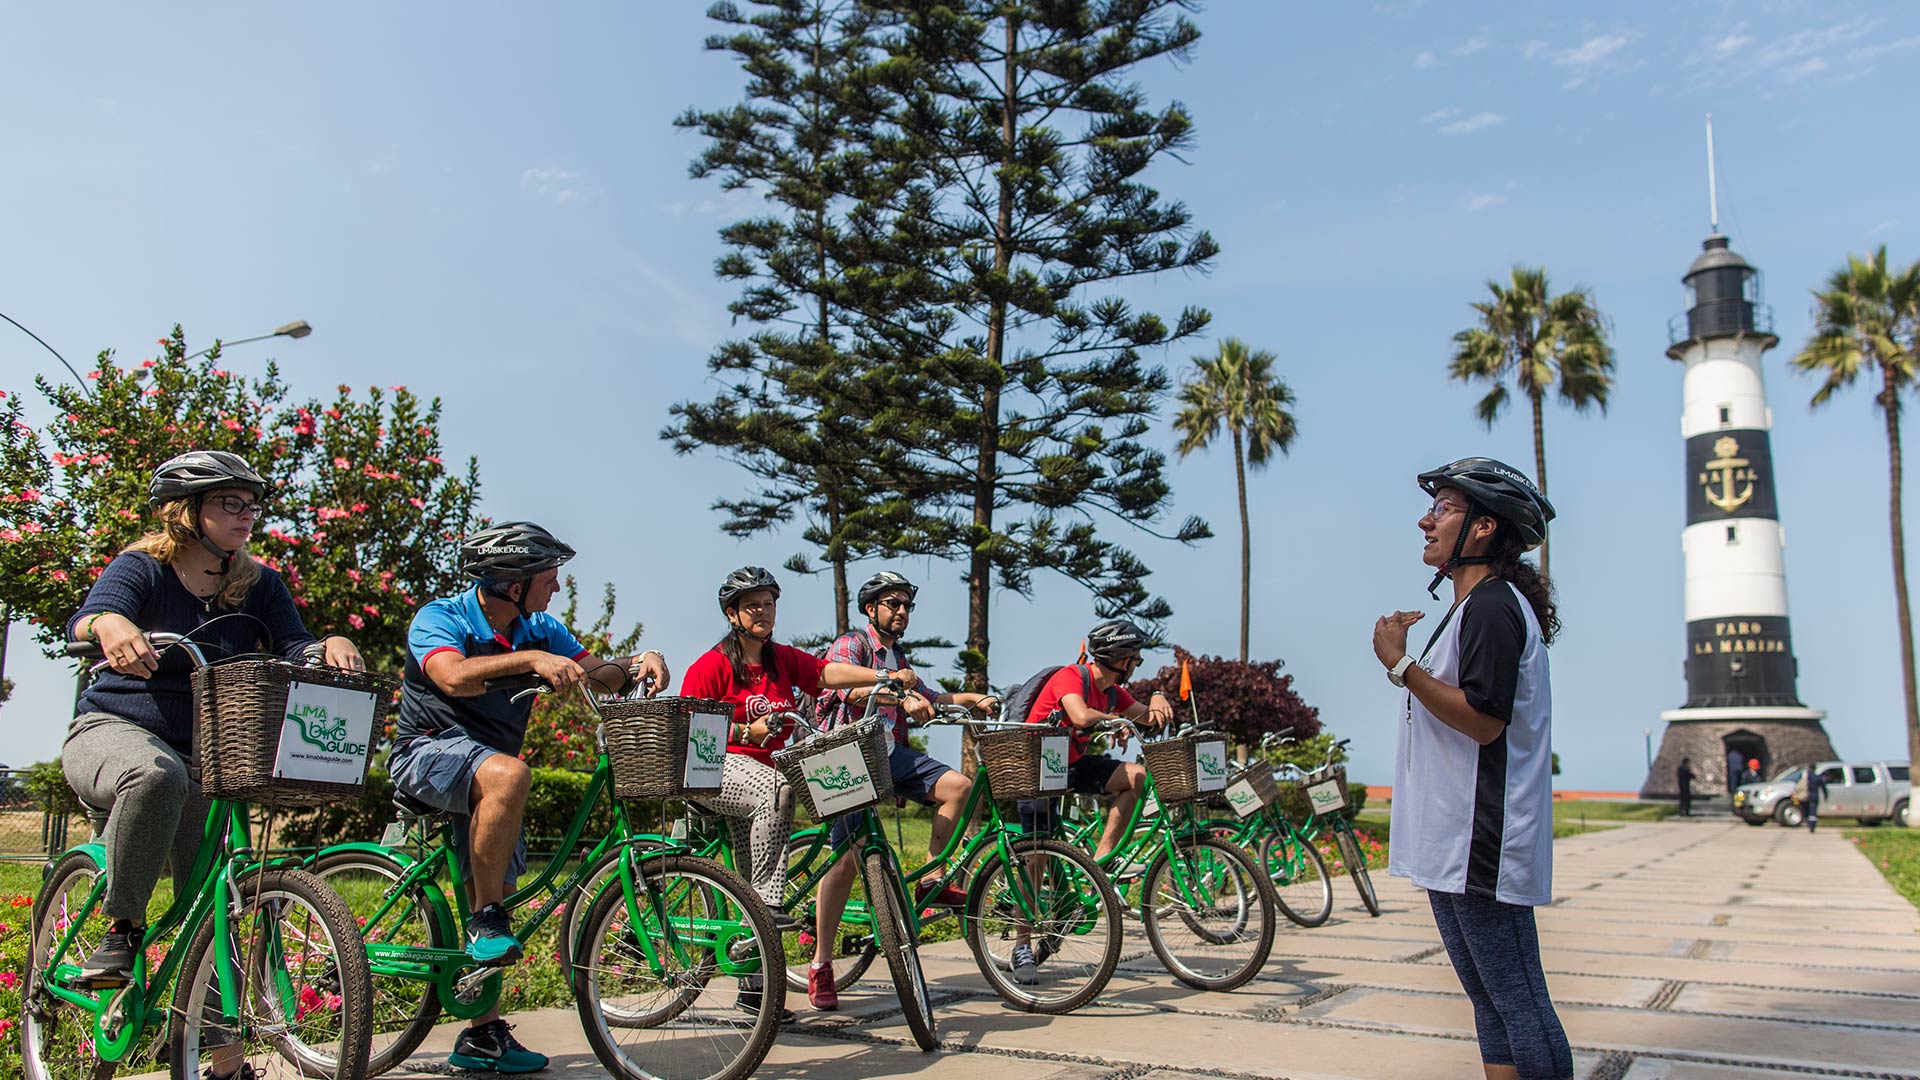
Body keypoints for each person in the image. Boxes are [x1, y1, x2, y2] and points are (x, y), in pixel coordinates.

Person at [63, 451, 366, 1080]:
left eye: (253, 504)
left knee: (218, 904)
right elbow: (88, 617)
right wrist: (113, 623)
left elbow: (293, 644)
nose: (247, 514)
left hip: (209, 753)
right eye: (232, 502)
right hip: (113, 730)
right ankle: (121, 930)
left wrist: (328, 645)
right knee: (154, 776)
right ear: (187, 510)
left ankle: (228, 1066)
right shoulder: (142, 568)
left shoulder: (260, 584)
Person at [388, 521, 668, 1073]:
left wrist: (640, 660)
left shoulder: (540, 626)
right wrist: (529, 661)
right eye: (549, 577)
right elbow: (453, 678)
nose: (558, 588)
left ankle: (482, 1035)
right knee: (511, 778)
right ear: (512, 583)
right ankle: (484, 920)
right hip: (425, 754)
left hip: (489, 772)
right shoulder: (440, 616)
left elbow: (597, 676)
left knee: (501, 876)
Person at [1374, 457, 1572, 1080]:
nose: (1425, 520)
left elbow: (1485, 720)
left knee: (1519, 998)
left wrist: (1399, 666)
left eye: (1445, 510)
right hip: (1451, 839)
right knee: (1489, 997)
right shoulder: (1470, 609)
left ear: (1484, 529)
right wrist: (1407, 665)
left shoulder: (1491, 606)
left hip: (1480, 839)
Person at [679, 566, 918, 1020]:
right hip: (716, 772)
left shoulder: (782, 660)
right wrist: (747, 729)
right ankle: (767, 905)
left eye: (769, 603)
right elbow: (694, 732)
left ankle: (755, 992)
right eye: (752, 605)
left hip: (759, 780)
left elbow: (826, 674)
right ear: (732, 614)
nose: (763, 612)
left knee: (756, 849)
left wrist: (881, 677)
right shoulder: (710, 666)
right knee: (778, 788)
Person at [805, 571, 999, 1011]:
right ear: (871, 608)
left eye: (907, 605)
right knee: (848, 859)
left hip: (888, 755)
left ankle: (931, 876)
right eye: (893, 603)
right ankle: (821, 963)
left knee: (959, 787)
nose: (902, 611)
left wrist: (973, 698)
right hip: (846, 757)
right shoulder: (851, 646)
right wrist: (895, 694)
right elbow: (847, 692)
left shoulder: (899, 655)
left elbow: (929, 694)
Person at [1013, 618, 1173, 984]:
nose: (1136, 665)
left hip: (1068, 764)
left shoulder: (1115, 693)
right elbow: (1079, 715)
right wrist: (1113, 723)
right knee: (1037, 856)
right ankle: (1021, 944)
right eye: (1136, 658)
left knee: (1136, 778)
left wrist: (1159, 698)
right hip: (1035, 766)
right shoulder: (1072, 677)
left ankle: (1098, 865)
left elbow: (1146, 718)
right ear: (1120, 658)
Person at [1804, 762, 1829, 832]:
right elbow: (1823, 788)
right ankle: (1812, 825)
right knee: (1813, 811)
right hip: (1815, 795)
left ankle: (1809, 824)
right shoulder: (1817, 777)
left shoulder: (1805, 777)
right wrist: (1826, 795)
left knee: (1808, 811)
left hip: (1806, 796)